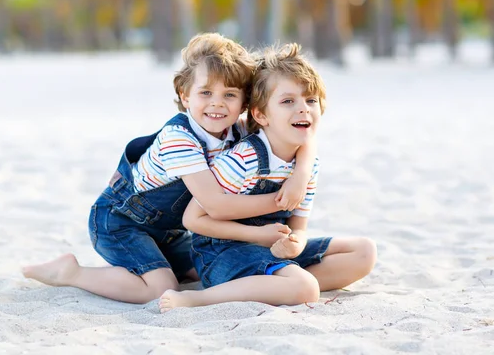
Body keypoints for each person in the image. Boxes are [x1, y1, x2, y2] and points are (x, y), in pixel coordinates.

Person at [22, 34, 316, 304]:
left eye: (229, 94)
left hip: (168, 231)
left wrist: (301, 175)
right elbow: (214, 204)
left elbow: (297, 135)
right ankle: (72, 273)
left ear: (244, 103)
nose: (217, 104)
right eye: (205, 93)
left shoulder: (235, 132)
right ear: (185, 95)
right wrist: (285, 199)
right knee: (162, 288)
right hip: (120, 223)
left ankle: (154, 263)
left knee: (202, 271)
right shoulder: (179, 139)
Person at [159, 43, 377, 312]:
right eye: (288, 101)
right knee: (306, 289)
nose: (303, 109)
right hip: (225, 252)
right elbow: (194, 220)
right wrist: (257, 235)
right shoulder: (244, 159)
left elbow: (299, 225)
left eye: (310, 100)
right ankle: (199, 298)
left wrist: (295, 244)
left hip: (271, 247)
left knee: (364, 252)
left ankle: (274, 284)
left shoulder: (307, 165)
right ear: (261, 114)